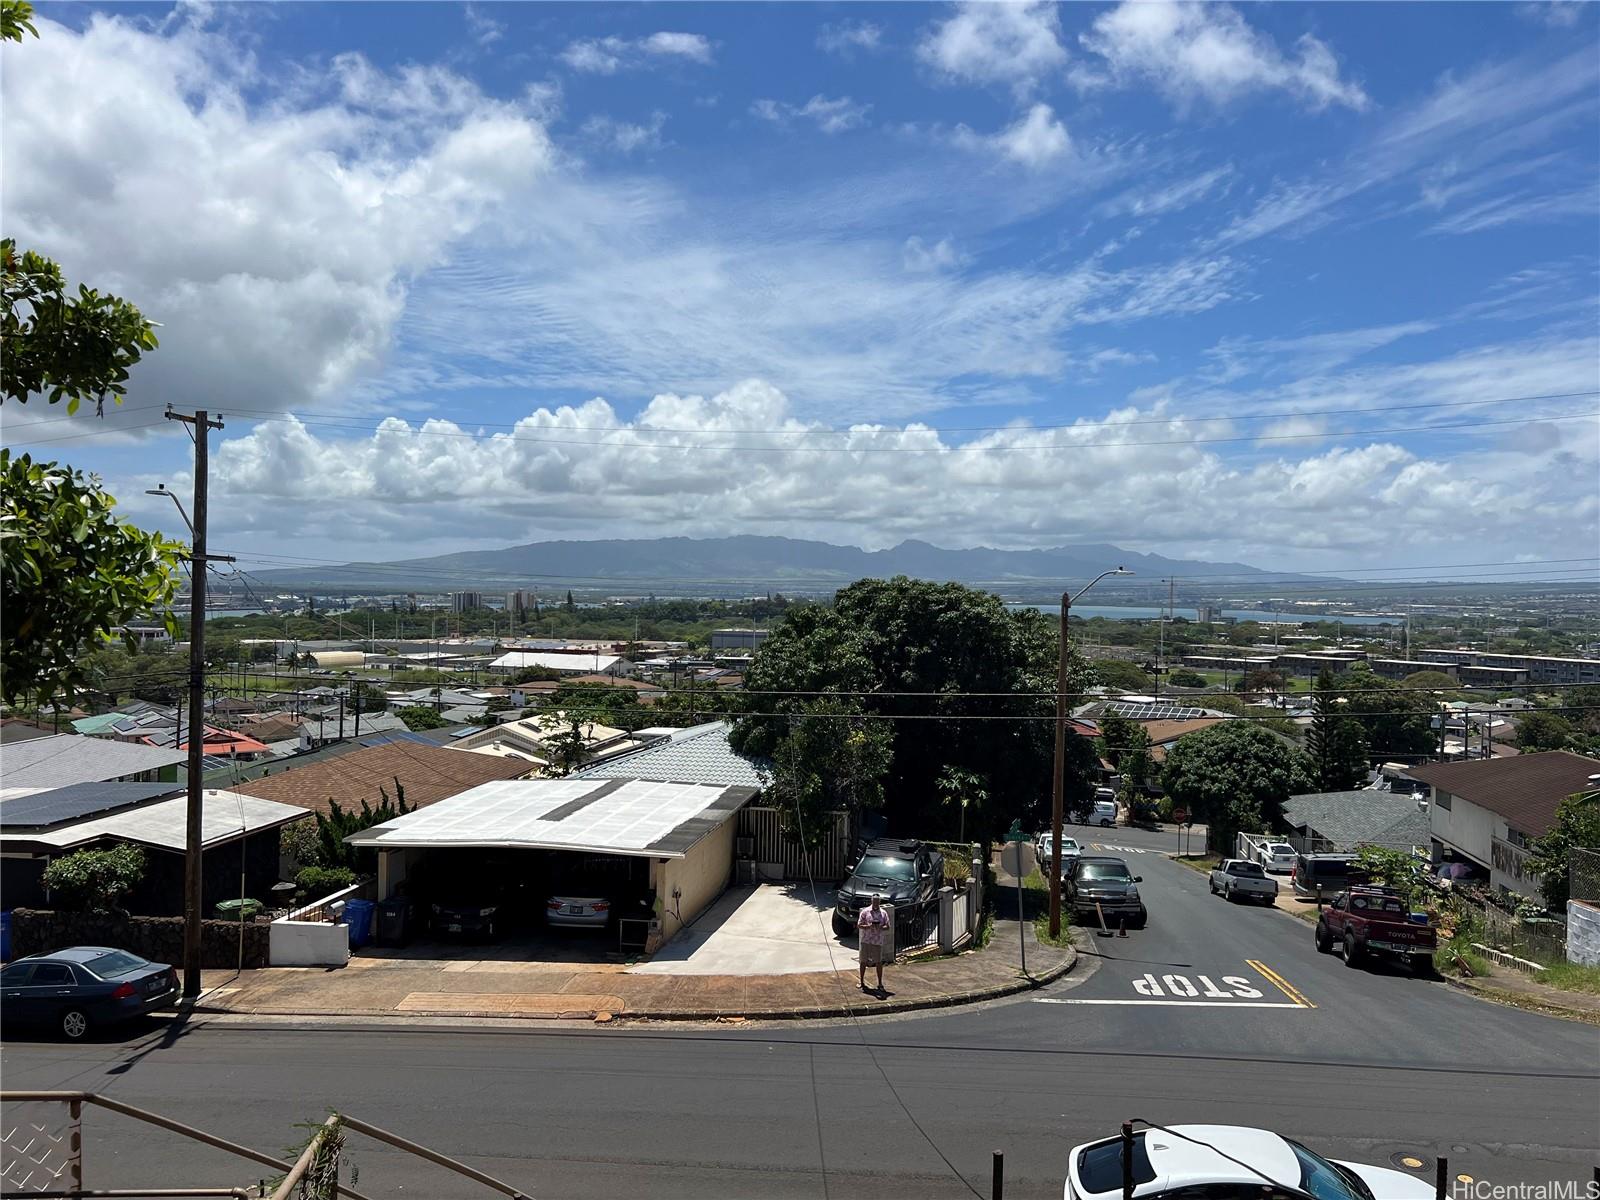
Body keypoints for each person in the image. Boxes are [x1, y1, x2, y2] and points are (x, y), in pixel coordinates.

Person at [857, 894, 890, 994]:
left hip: (877, 941)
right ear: (871, 901)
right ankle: (861, 981)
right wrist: (868, 926)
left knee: (878, 962)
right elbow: (859, 925)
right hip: (866, 940)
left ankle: (880, 983)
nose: (876, 903)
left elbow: (888, 926)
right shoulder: (865, 912)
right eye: (874, 901)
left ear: (879, 902)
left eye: (877, 901)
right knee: (863, 961)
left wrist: (880, 927)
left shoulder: (884, 913)